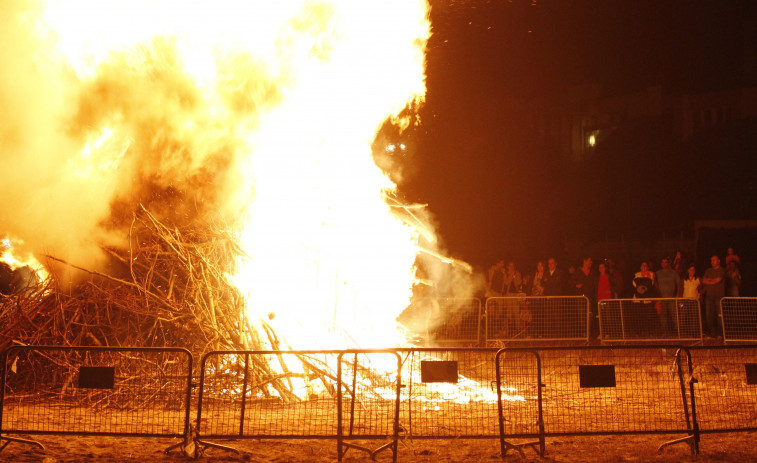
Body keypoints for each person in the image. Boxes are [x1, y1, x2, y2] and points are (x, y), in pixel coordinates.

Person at [573, 257, 598, 338]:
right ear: (584, 261)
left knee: (590, 314)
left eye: (591, 261)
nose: (591, 262)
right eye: (589, 261)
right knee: (581, 315)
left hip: (590, 297)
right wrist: (576, 285)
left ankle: (590, 331)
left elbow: (595, 284)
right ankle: (584, 332)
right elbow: (572, 282)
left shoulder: (593, 273)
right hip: (581, 297)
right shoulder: (578, 272)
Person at [702, 255, 726, 338]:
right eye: (711, 260)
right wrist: (713, 281)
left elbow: (718, 280)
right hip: (709, 297)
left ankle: (720, 334)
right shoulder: (708, 270)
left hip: (719, 297)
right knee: (709, 316)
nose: (712, 262)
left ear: (718, 261)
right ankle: (711, 334)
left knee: (719, 317)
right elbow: (704, 280)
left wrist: (710, 280)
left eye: (714, 260)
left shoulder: (722, 270)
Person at [656, 257, 681, 334]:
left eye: (665, 262)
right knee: (663, 316)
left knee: (674, 315)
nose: (664, 264)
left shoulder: (673, 273)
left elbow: (679, 285)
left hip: (672, 298)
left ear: (668, 263)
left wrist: (677, 295)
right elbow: (655, 285)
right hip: (662, 298)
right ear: (661, 264)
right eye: (662, 262)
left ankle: (678, 332)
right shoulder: (657, 273)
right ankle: (664, 332)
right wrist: (658, 297)